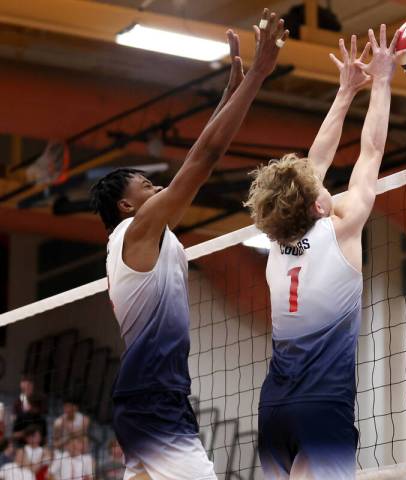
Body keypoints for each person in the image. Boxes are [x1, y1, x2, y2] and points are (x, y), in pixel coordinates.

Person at [88, 8, 288, 480]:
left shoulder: (146, 238)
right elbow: (205, 157)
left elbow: (203, 150)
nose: (155, 186)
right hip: (154, 401)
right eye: (143, 183)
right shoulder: (135, 232)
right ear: (124, 206)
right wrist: (258, 74)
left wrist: (230, 91)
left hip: (153, 397)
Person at [246, 26, 398, 479]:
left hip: (274, 409)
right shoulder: (343, 226)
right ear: (317, 204)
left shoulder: (276, 243)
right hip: (322, 407)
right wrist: (383, 81)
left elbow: (313, 165)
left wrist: (347, 90)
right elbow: (370, 152)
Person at [12, 376, 47, 443]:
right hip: (22, 431)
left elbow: (43, 412)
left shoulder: (40, 399)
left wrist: (32, 410)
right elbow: (14, 417)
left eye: (28, 387)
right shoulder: (17, 402)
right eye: (23, 389)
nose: (26, 390)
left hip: (37, 427)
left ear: (32, 386)